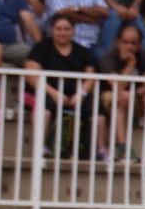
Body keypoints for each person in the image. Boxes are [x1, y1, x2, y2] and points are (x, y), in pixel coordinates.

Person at [25, 15, 97, 157]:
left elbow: (91, 76)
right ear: (52, 30)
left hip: (74, 96)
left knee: (97, 110)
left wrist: (81, 93)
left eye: (67, 29)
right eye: (59, 29)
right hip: (44, 91)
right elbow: (31, 75)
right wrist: (53, 93)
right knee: (43, 108)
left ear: (73, 30)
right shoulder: (41, 48)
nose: (63, 32)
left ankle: (99, 150)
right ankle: (39, 148)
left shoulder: (83, 51)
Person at [95, 21, 145, 159]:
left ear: (139, 44)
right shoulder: (107, 57)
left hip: (135, 97)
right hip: (110, 98)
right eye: (125, 42)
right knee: (118, 98)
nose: (129, 47)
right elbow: (117, 86)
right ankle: (123, 148)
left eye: (134, 43)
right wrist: (130, 66)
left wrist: (133, 94)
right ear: (117, 41)